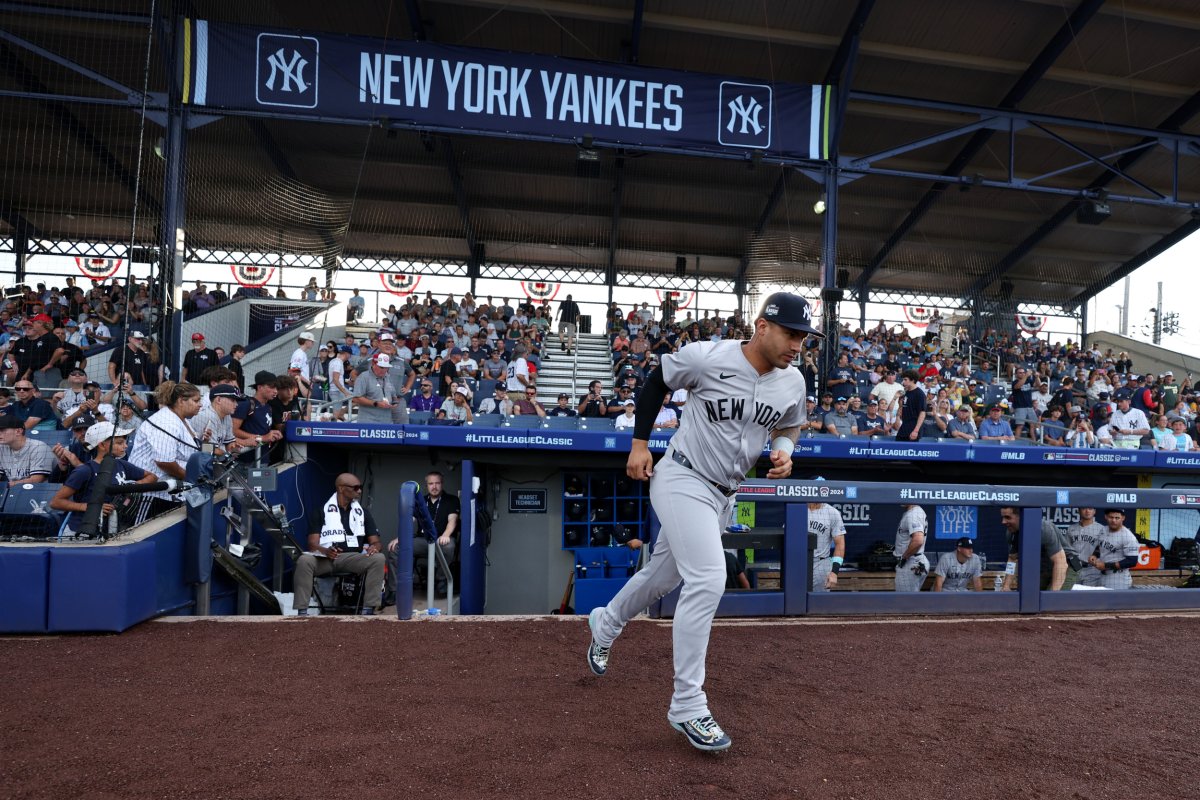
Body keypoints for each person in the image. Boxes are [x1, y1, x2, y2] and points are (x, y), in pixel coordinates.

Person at [586, 291, 817, 753]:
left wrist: (787, 451)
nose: (798, 345)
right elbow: (656, 382)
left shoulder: (793, 383)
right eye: (791, 334)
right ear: (762, 326)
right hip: (682, 476)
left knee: (662, 576)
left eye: (804, 337)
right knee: (709, 577)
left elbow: (790, 424)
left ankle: (606, 623)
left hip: (724, 496)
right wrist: (638, 443)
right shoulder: (709, 356)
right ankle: (688, 704)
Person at [293, 473, 386, 615]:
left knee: (378, 558)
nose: (359, 491)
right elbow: (312, 545)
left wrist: (375, 547)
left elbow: (376, 541)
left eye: (360, 487)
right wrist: (325, 551)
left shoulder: (363, 513)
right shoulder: (321, 512)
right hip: (326, 559)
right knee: (304, 560)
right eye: (355, 488)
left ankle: (368, 609)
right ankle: (302, 612)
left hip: (352, 558)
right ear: (341, 488)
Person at [51, 420, 158, 538]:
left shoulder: (122, 465)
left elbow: (152, 476)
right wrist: (91, 506)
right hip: (80, 533)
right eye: (119, 443)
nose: (125, 446)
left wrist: (131, 487)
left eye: (125, 442)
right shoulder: (84, 471)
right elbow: (56, 502)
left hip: (112, 530)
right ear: (102, 445)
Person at [127, 382, 202, 521]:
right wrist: (190, 477)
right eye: (196, 400)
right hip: (151, 494)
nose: (200, 405)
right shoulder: (167, 422)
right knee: (141, 535)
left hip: (172, 490)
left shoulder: (181, 419)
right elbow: (164, 462)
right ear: (181, 400)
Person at [385, 470, 460, 602]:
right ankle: (393, 590)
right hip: (422, 540)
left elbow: (452, 520)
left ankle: (441, 581)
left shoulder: (451, 500)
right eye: (431, 483)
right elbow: (409, 520)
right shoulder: (420, 500)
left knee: (448, 547)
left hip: (441, 540)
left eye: (437, 483)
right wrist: (400, 538)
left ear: (442, 484)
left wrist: (446, 535)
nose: (434, 486)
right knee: (395, 548)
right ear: (426, 485)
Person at [998, 506, 1067, 591]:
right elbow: (1012, 559)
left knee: (1052, 601)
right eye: (1003, 517)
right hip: (1044, 568)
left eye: (1008, 517)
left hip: (1066, 565)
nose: (1003, 522)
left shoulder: (1042, 528)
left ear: (1022, 516)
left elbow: (1061, 562)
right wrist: (1006, 586)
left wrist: (1052, 595)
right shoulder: (1011, 532)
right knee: (1028, 595)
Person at [1075, 509, 1140, 590]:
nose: (1113, 520)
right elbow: (1100, 546)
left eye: (1117, 518)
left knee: (1115, 602)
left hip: (1118, 578)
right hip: (1102, 576)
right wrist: (1094, 555)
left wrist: (1106, 566)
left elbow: (1132, 561)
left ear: (1123, 518)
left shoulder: (1128, 536)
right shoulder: (1103, 530)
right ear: (1106, 517)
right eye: (1111, 517)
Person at [232, 371, 284, 463]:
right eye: (271, 387)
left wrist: (272, 434)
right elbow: (233, 431)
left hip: (263, 458)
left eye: (276, 388)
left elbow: (262, 430)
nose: (275, 391)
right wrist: (262, 438)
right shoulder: (246, 404)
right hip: (245, 461)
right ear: (259, 387)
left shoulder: (268, 407)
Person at [191, 384, 252, 456]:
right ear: (219, 400)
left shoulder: (227, 416)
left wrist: (234, 449)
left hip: (207, 459)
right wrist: (225, 453)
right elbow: (204, 447)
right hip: (191, 459)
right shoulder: (205, 416)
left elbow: (229, 443)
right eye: (233, 400)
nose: (236, 404)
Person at [0, 414, 54, 485]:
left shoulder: (38, 447)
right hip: (14, 491)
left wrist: (10, 485)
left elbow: (37, 479)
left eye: (2, 430)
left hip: (40, 491)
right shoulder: (2, 447)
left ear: (18, 431)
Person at [808, 501, 847, 592]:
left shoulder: (832, 512)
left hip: (820, 564)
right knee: (794, 602)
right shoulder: (796, 509)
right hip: (798, 563)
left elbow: (840, 544)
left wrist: (834, 572)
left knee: (820, 603)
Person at [352, 354, 402, 423]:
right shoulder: (363, 377)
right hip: (368, 421)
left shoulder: (388, 377)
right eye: (381, 367)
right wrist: (376, 403)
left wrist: (395, 402)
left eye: (386, 367)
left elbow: (393, 394)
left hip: (386, 421)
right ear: (373, 364)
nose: (384, 370)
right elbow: (356, 398)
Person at [893, 504, 929, 591]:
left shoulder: (914, 514)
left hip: (911, 562)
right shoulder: (914, 512)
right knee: (911, 600)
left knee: (905, 602)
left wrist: (904, 557)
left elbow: (918, 541)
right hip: (916, 560)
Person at [894, 370, 926, 442]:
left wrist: (916, 430)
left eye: (905, 380)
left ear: (912, 380)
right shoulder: (906, 393)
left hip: (913, 427)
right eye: (903, 380)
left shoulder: (919, 394)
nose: (903, 382)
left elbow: (922, 413)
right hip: (904, 426)